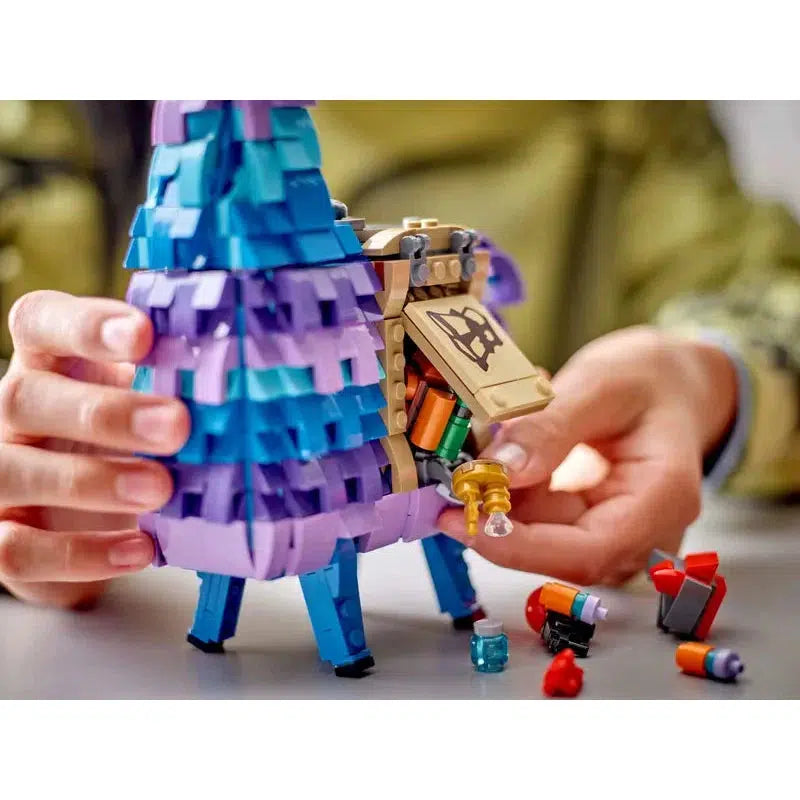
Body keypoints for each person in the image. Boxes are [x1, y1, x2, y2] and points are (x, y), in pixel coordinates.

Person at [0, 100, 798, 609]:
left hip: (428, 510)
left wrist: (716, 376)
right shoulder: (48, 120)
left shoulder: (626, 116)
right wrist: (35, 476)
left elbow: (765, 288)